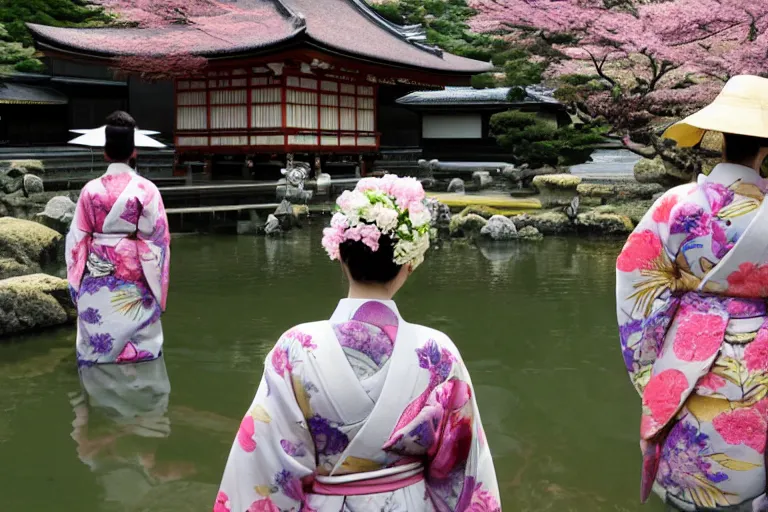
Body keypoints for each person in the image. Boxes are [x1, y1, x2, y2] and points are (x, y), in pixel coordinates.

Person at [215, 176, 500, 511]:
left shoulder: (296, 348)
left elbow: (264, 464)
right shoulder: (438, 353)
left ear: (340, 255)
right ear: (409, 262)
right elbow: (461, 469)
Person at [616, 75, 768, 511]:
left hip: (688, 355)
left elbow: (636, 282)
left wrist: (649, 369)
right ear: (765, 148)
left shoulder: (676, 205)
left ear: (719, 138)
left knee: (690, 475)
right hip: (760, 353)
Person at [66, 111, 170, 366]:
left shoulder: (90, 190)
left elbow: (77, 240)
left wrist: (77, 285)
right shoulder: (147, 189)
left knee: (95, 350)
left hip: (97, 277)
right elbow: (159, 240)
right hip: (135, 279)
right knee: (140, 351)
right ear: (133, 151)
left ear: (105, 152)